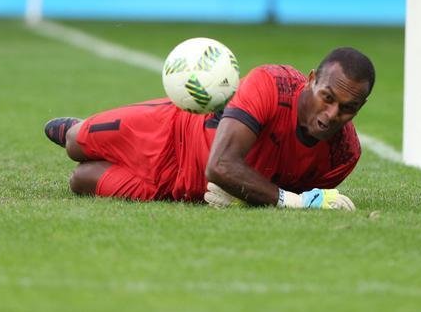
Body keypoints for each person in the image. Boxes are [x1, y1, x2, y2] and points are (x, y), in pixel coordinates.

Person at [43, 47, 373, 210]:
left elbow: (276, 186)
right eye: (327, 98)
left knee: (80, 180)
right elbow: (221, 165)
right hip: (171, 132)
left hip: (178, 187)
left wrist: (246, 199)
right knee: (75, 143)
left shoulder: (343, 156)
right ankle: (77, 127)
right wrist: (298, 204)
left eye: (348, 109)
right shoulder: (271, 84)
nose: (331, 115)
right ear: (311, 80)